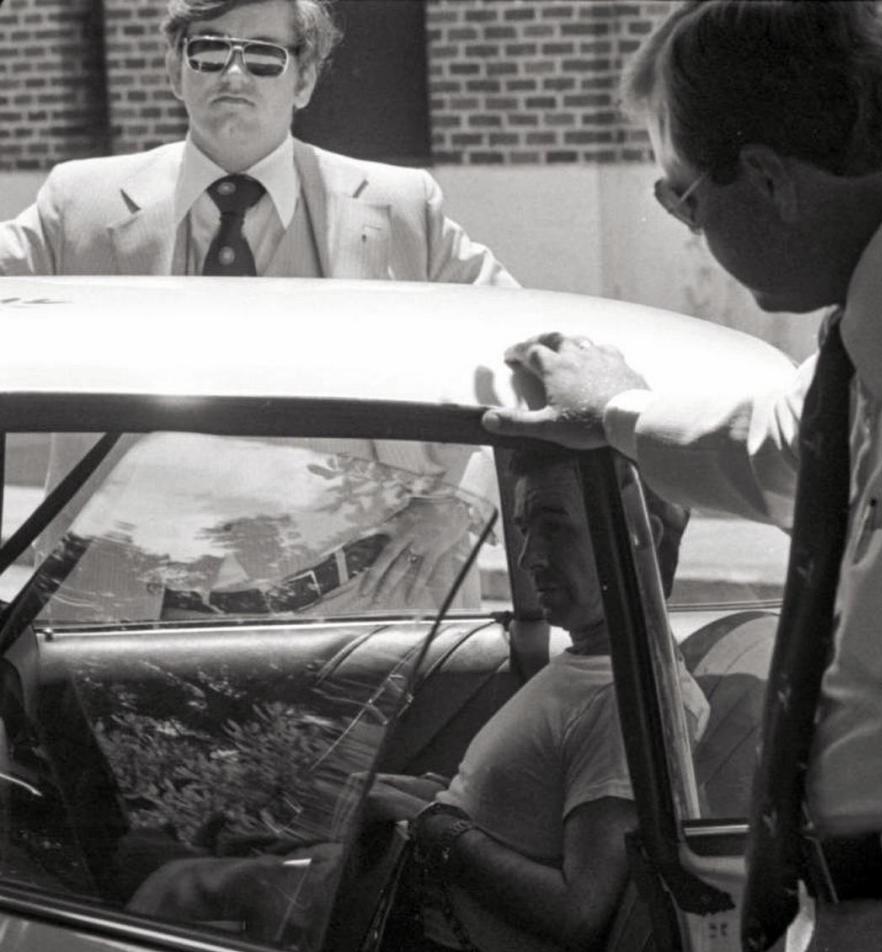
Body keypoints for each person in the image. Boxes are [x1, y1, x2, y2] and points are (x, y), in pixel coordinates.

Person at [484, 0, 882, 952]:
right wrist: (613, 410)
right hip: (867, 935)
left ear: (769, 177)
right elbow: (786, 450)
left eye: (680, 196)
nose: (686, 229)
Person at [130, 447, 706, 952]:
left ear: (639, 535)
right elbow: (521, 814)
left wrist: (437, 830)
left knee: (173, 892)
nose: (529, 558)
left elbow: (578, 910)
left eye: (554, 526)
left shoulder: (621, 700)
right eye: (524, 531)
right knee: (166, 857)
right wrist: (404, 800)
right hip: (421, 936)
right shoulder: (587, 668)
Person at [0, 0, 516, 604]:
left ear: (304, 80)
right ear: (175, 70)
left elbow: (530, 352)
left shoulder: (402, 207)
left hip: (362, 603)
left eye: (265, 56)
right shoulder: (81, 207)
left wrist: (465, 498)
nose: (234, 75)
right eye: (209, 51)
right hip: (135, 606)